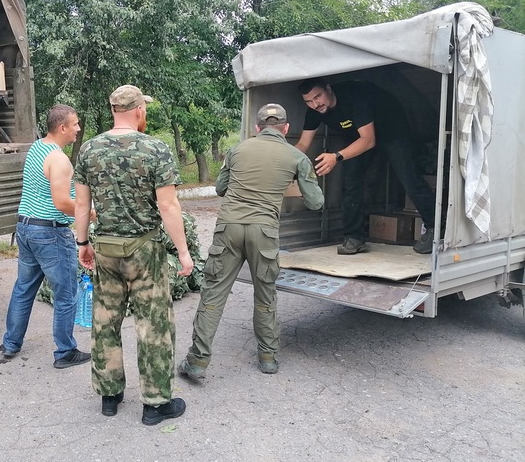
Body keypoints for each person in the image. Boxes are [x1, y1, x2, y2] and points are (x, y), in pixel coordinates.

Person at [73, 85, 194, 426]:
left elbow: (82, 204)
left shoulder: (89, 150)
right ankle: (155, 405)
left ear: (113, 109)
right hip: (144, 251)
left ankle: (109, 396)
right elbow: (168, 205)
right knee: (153, 325)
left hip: (106, 249)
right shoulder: (155, 148)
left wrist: (83, 243)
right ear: (139, 109)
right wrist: (183, 253)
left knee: (105, 322)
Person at [179, 103, 323, 379]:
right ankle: (268, 358)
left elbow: (221, 188)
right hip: (264, 232)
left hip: (229, 228)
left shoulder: (236, 150)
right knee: (265, 295)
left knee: (213, 294)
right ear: (286, 129)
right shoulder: (295, 156)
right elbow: (316, 202)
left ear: (257, 128)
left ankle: (197, 362)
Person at [295, 78, 436, 255]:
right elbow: (302, 144)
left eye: (318, 97)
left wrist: (336, 156)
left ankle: (435, 231)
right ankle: (354, 238)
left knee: (409, 179)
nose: (315, 104)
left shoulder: (355, 97)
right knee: (350, 182)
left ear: (329, 89)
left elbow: (369, 140)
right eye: (308, 101)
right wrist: (284, 159)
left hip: (391, 129)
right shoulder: (315, 110)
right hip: (358, 135)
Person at [0, 105, 91, 369]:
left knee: (24, 288)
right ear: (62, 127)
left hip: (25, 227)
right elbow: (62, 202)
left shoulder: (38, 148)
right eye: (75, 124)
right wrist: (89, 212)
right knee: (66, 294)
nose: (78, 129)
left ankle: (10, 344)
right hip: (49, 233)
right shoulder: (59, 159)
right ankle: (65, 352)